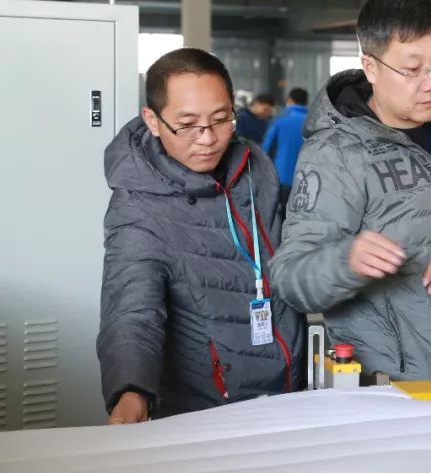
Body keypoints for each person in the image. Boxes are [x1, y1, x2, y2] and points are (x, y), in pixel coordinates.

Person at [269, 0, 431, 381]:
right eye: (413, 69)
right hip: (384, 390)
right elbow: (290, 276)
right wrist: (345, 262)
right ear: (370, 67)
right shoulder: (336, 153)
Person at [98, 48, 304, 424]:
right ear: (153, 120)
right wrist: (131, 388)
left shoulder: (255, 169)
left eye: (221, 119)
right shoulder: (138, 205)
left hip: (288, 392)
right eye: (188, 125)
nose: (208, 139)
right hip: (209, 410)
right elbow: (132, 308)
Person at [263, 88, 308, 201]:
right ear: (306, 102)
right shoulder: (314, 121)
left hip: (282, 176)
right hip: (307, 179)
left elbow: (266, 148)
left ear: (290, 100)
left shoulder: (280, 118)